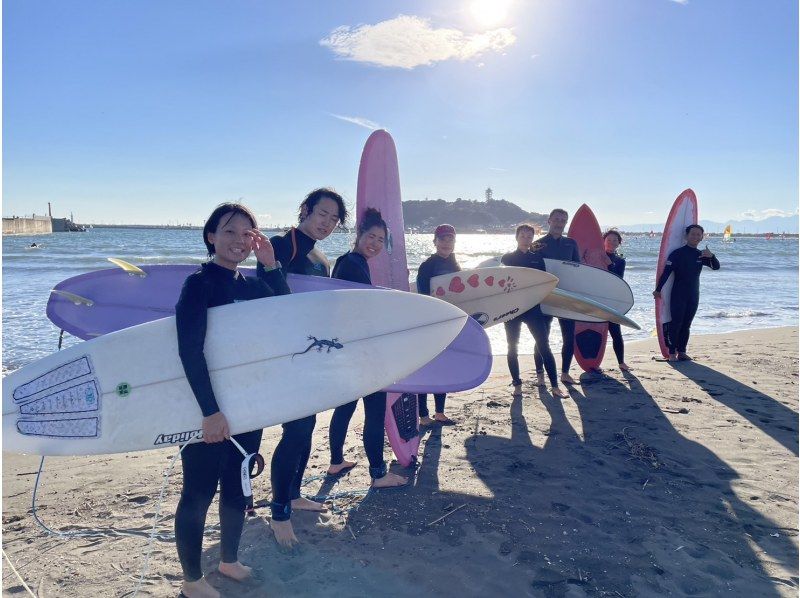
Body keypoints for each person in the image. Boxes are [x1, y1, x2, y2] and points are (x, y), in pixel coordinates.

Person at [175, 203, 290, 598]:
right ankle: (192, 581)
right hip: (207, 407)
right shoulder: (199, 284)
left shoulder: (251, 285)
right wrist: (210, 412)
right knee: (198, 491)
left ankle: (228, 560)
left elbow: (288, 312)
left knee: (238, 487)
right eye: (229, 231)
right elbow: (190, 351)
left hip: (247, 404)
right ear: (211, 237)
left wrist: (270, 264)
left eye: (247, 233)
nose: (239, 240)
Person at [256, 188, 348, 548]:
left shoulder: (322, 258)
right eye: (322, 214)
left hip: (307, 352)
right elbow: (262, 297)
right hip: (283, 354)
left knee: (306, 426)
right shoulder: (283, 245)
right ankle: (279, 512)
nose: (326, 223)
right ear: (306, 210)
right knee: (294, 431)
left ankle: (293, 494)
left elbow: (317, 309)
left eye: (334, 219)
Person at [326, 208, 408, 488]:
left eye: (380, 240)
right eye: (371, 236)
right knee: (374, 410)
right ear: (359, 235)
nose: (374, 243)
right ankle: (377, 474)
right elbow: (362, 310)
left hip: (346, 348)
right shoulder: (353, 264)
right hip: (361, 352)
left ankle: (336, 461)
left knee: (346, 406)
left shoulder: (346, 261)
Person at [501, 224, 568, 398]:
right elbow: (500, 285)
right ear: (516, 237)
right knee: (512, 347)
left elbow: (543, 283)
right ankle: (517, 384)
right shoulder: (507, 258)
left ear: (532, 239)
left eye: (529, 236)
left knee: (544, 345)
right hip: (512, 309)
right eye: (522, 236)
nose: (525, 239)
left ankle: (554, 386)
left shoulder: (538, 258)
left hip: (532, 308)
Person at [653, 224, 720, 361]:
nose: (695, 237)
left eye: (698, 235)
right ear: (686, 236)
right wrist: (658, 290)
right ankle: (672, 353)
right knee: (676, 322)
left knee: (687, 324)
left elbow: (716, 267)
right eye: (692, 234)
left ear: (702, 237)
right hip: (678, 294)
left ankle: (682, 352)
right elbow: (666, 273)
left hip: (694, 294)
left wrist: (711, 256)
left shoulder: (701, 255)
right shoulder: (677, 254)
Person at [415, 224, 460, 425]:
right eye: (442, 239)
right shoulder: (427, 266)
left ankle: (440, 412)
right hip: (429, 324)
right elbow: (423, 298)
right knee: (426, 369)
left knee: (444, 368)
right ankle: (423, 415)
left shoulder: (456, 265)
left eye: (450, 239)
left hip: (448, 324)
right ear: (435, 242)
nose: (446, 242)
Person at [534, 209, 581, 385]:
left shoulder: (571, 244)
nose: (560, 223)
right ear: (549, 221)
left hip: (566, 295)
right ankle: (540, 375)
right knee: (542, 337)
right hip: (545, 295)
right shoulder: (538, 244)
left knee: (569, 336)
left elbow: (577, 269)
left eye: (563, 220)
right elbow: (533, 272)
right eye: (556, 219)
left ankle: (565, 373)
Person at [603, 230, 630, 371]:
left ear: (619, 243)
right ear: (603, 240)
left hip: (611, 299)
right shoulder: (597, 256)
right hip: (595, 297)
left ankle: (621, 362)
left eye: (615, 240)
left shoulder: (620, 261)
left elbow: (618, 280)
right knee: (596, 330)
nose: (612, 242)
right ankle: (592, 362)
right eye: (609, 239)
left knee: (615, 331)